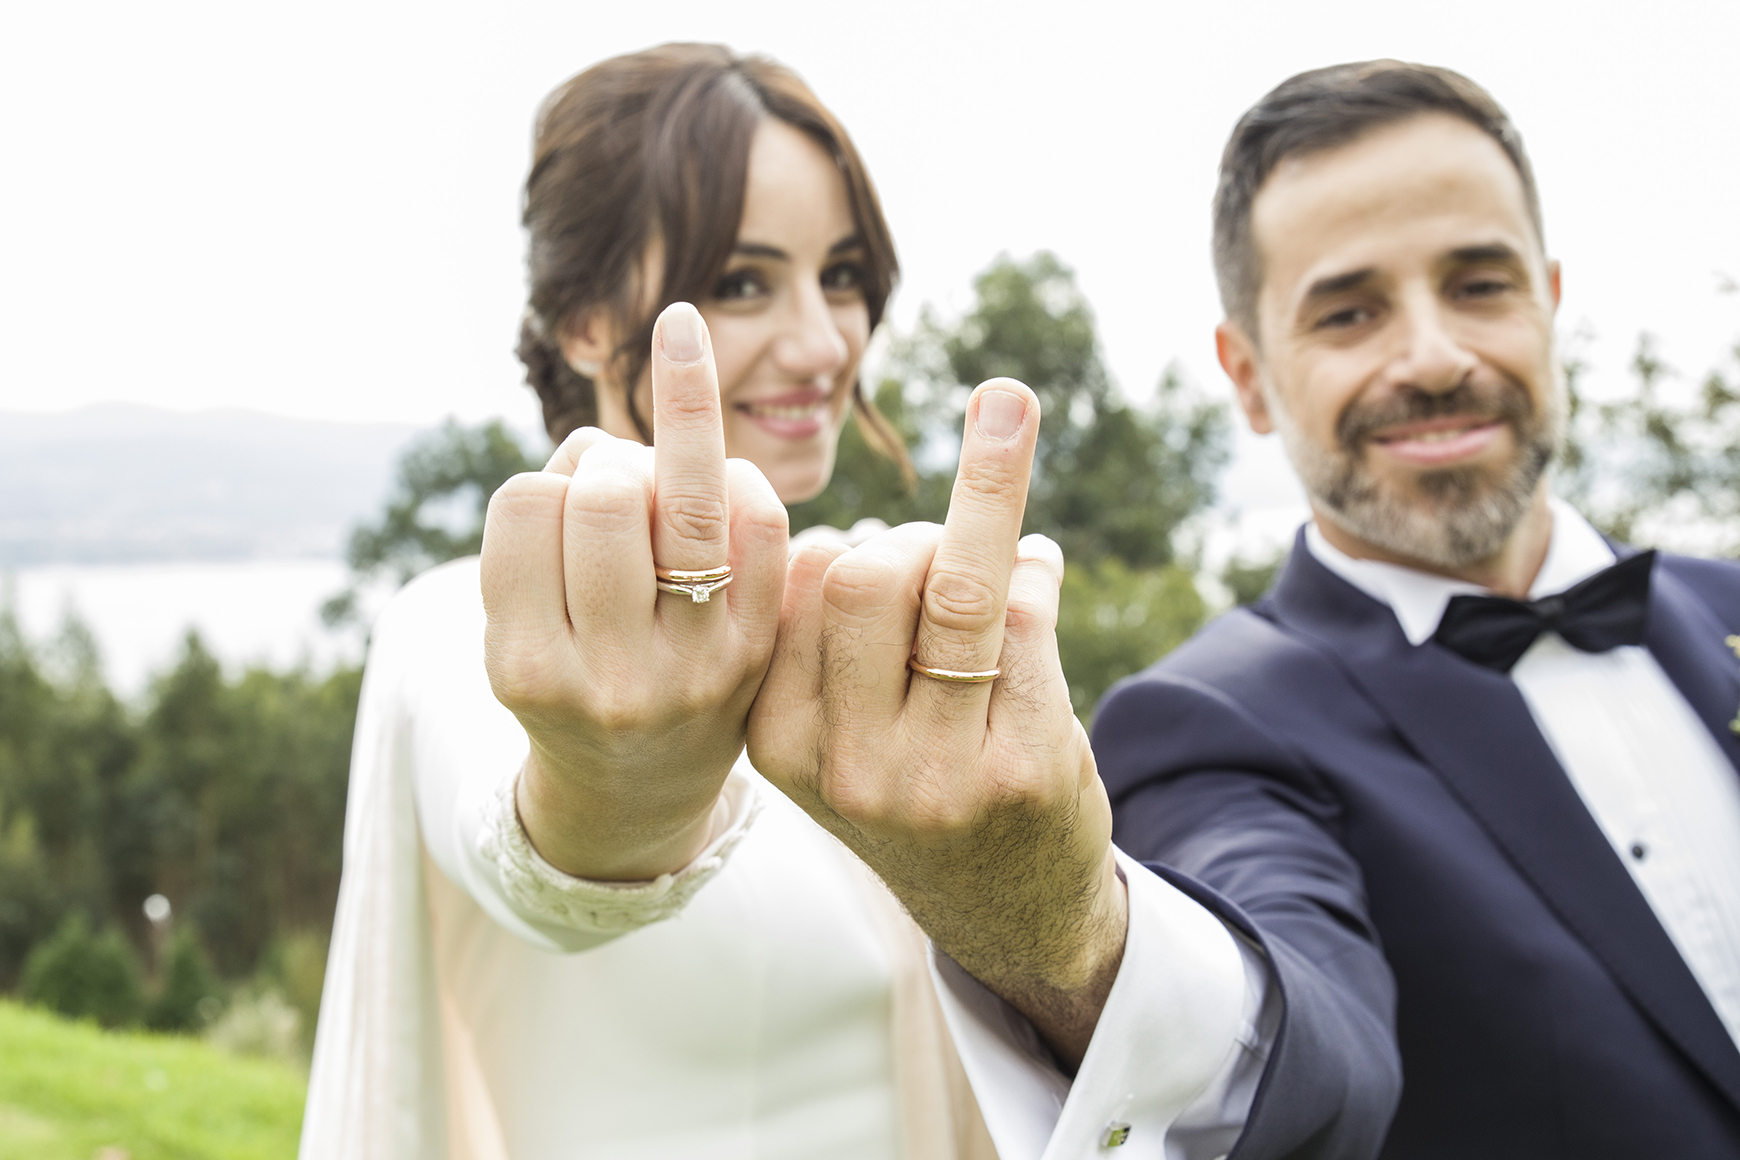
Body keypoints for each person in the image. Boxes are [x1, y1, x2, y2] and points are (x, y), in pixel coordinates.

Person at [302, 44, 1274, 1160]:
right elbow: (537, 858)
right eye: (743, 282)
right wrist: (619, 785)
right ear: (581, 321)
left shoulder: (876, 597)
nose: (822, 342)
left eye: (844, 275)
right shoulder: (460, 624)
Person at [1094, 60, 1740, 1157]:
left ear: (1550, 298)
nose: (1435, 359)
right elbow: (1274, 1025)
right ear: (1247, 375)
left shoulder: (1721, 602)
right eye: (1349, 311)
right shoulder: (1205, 723)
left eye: (1481, 284)